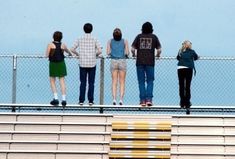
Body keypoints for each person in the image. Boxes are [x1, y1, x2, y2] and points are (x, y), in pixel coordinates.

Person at [71, 23, 102, 106]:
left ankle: (81, 100)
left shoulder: (79, 38)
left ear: (83, 29)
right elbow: (100, 51)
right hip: (92, 63)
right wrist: (95, 54)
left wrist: (78, 54)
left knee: (83, 83)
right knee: (91, 83)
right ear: (91, 29)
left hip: (82, 63)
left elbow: (72, 49)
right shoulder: (94, 39)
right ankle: (90, 101)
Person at [131, 22, 162, 107]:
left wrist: (134, 55)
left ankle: (142, 101)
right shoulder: (154, 37)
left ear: (142, 28)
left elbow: (132, 49)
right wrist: (157, 55)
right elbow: (159, 49)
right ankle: (149, 100)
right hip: (150, 62)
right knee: (150, 81)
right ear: (151, 29)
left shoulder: (139, 36)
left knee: (141, 81)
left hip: (140, 62)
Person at [46, 31, 72, 106]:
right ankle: (63, 99)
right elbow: (69, 52)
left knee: (52, 81)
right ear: (61, 37)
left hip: (53, 63)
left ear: (53, 37)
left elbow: (47, 55)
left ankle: (56, 98)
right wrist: (69, 54)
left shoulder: (50, 45)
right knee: (62, 81)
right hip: (61, 63)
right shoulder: (63, 45)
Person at [106, 28, 129, 105]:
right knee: (122, 82)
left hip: (113, 61)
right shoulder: (125, 41)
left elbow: (108, 52)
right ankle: (121, 99)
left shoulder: (110, 41)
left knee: (114, 81)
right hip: (122, 61)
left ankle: (114, 99)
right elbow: (127, 52)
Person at [177, 40, 199, 114]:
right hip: (188, 69)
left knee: (181, 85)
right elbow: (196, 57)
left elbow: (178, 58)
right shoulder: (192, 51)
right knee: (187, 85)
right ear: (189, 45)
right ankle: (187, 102)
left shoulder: (180, 51)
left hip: (180, 68)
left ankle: (182, 102)